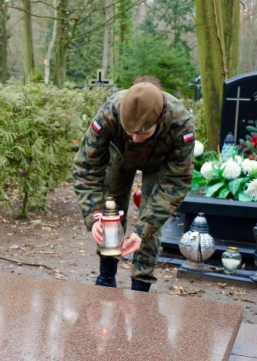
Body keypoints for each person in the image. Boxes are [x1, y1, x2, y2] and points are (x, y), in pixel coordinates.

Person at [72, 77, 195, 292]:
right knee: (110, 208)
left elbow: (175, 182)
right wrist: (93, 216)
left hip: (160, 162)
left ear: (160, 118)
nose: (136, 139)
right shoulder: (110, 112)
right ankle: (106, 275)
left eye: (143, 132)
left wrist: (141, 231)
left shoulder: (180, 122)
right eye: (130, 132)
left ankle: (141, 283)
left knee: (150, 217)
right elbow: (87, 167)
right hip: (119, 156)